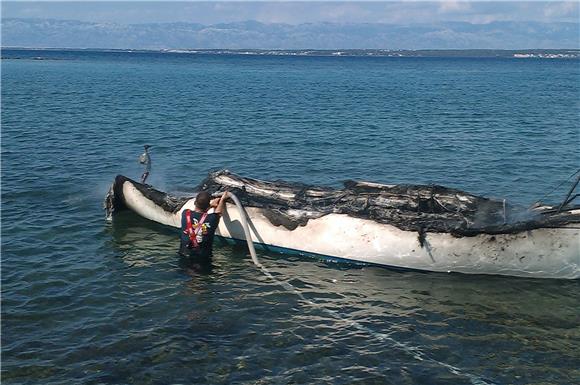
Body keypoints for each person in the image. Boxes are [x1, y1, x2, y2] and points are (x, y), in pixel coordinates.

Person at [179, 190, 229, 260]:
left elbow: (201, 212)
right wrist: (222, 200)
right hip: (203, 259)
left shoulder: (185, 213)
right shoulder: (212, 219)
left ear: (195, 203)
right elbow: (218, 212)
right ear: (208, 205)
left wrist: (210, 205)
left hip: (184, 255)